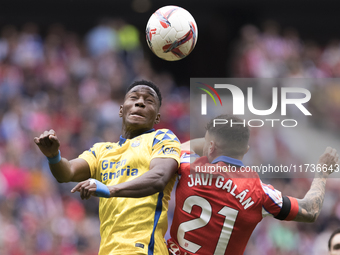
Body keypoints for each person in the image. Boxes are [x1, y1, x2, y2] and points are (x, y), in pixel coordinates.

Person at [34, 80, 181, 255]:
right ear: (121, 109)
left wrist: (111, 189)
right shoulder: (101, 150)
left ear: (157, 117)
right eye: (134, 98)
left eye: (149, 101)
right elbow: (66, 173)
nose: (140, 102)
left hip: (143, 249)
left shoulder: (162, 138)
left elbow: (159, 177)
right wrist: (53, 157)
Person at [167, 114, 339, 255]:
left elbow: (185, 147)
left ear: (210, 146)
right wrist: (322, 173)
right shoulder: (259, 191)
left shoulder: (189, 166)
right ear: (246, 149)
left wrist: (213, 142)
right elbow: (310, 210)